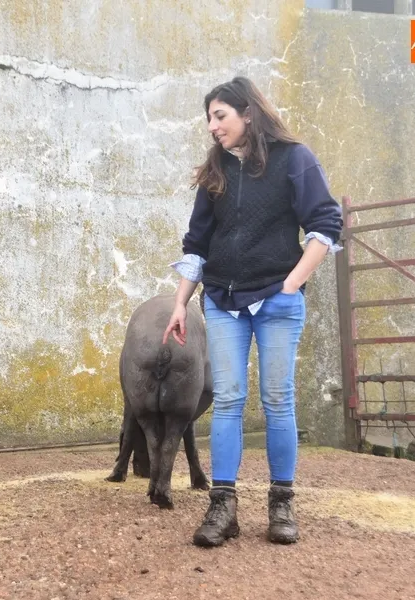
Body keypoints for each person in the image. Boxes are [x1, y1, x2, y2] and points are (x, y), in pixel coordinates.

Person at [162, 76, 343, 547]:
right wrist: (181, 303)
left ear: (248, 113)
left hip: (276, 301)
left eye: (219, 116)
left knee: (278, 399)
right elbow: (196, 243)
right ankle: (223, 506)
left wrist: (290, 285)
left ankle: (281, 503)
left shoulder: (294, 160)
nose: (212, 127)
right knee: (228, 399)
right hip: (223, 300)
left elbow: (325, 223)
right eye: (209, 118)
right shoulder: (216, 171)